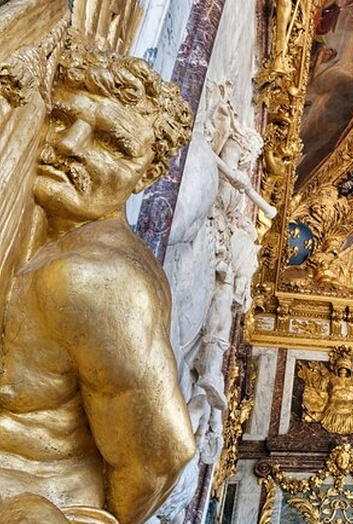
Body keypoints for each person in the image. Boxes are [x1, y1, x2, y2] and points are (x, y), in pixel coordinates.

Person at [0, 42, 195, 524]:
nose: (68, 145)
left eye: (110, 142)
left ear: (147, 173)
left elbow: (158, 456)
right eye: (63, 118)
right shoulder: (38, 231)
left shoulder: (97, 278)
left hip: (35, 498)